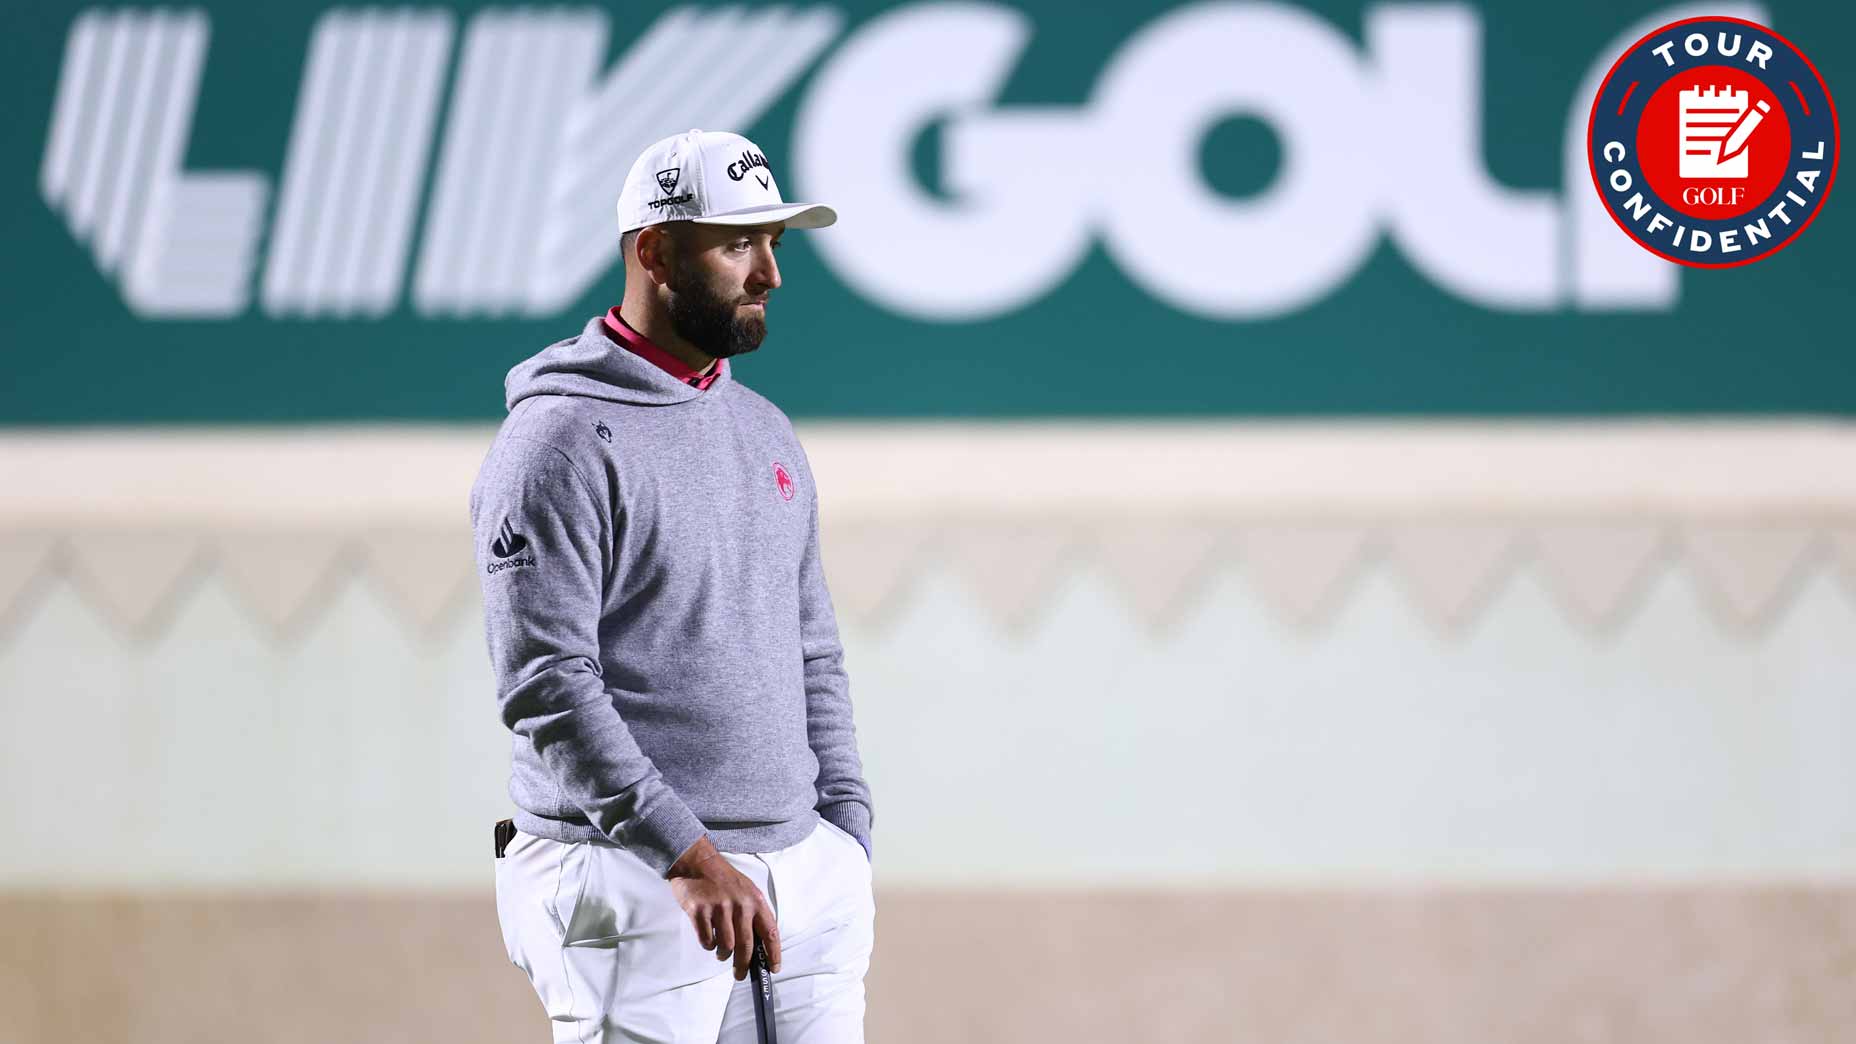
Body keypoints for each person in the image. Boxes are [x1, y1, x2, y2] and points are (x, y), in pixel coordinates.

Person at [470, 128, 875, 1043]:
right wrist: (688, 856)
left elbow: (813, 650)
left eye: (774, 241)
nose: (771, 273)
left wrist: (844, 833)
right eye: (739, 245)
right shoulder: (556, 443)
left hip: (803, 873)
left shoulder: (764, 430)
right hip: (624, 874)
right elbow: (546, 682)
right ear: (655, 252)